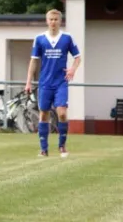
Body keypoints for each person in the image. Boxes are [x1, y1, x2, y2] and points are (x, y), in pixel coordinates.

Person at [24, 9, 81, 158]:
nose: (53, 22)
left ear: (60, 21)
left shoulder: (67, 38)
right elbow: (34, 61)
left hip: (61, 82)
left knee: (62, 113)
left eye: (56, 19)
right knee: (44, 114)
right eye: (51, 19)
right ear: (47, 21)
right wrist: (28, 82)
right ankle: (44, 149)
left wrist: (72, 70)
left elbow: (78, 57)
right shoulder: (39, 38)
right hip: (45, 83)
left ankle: (62, 146)